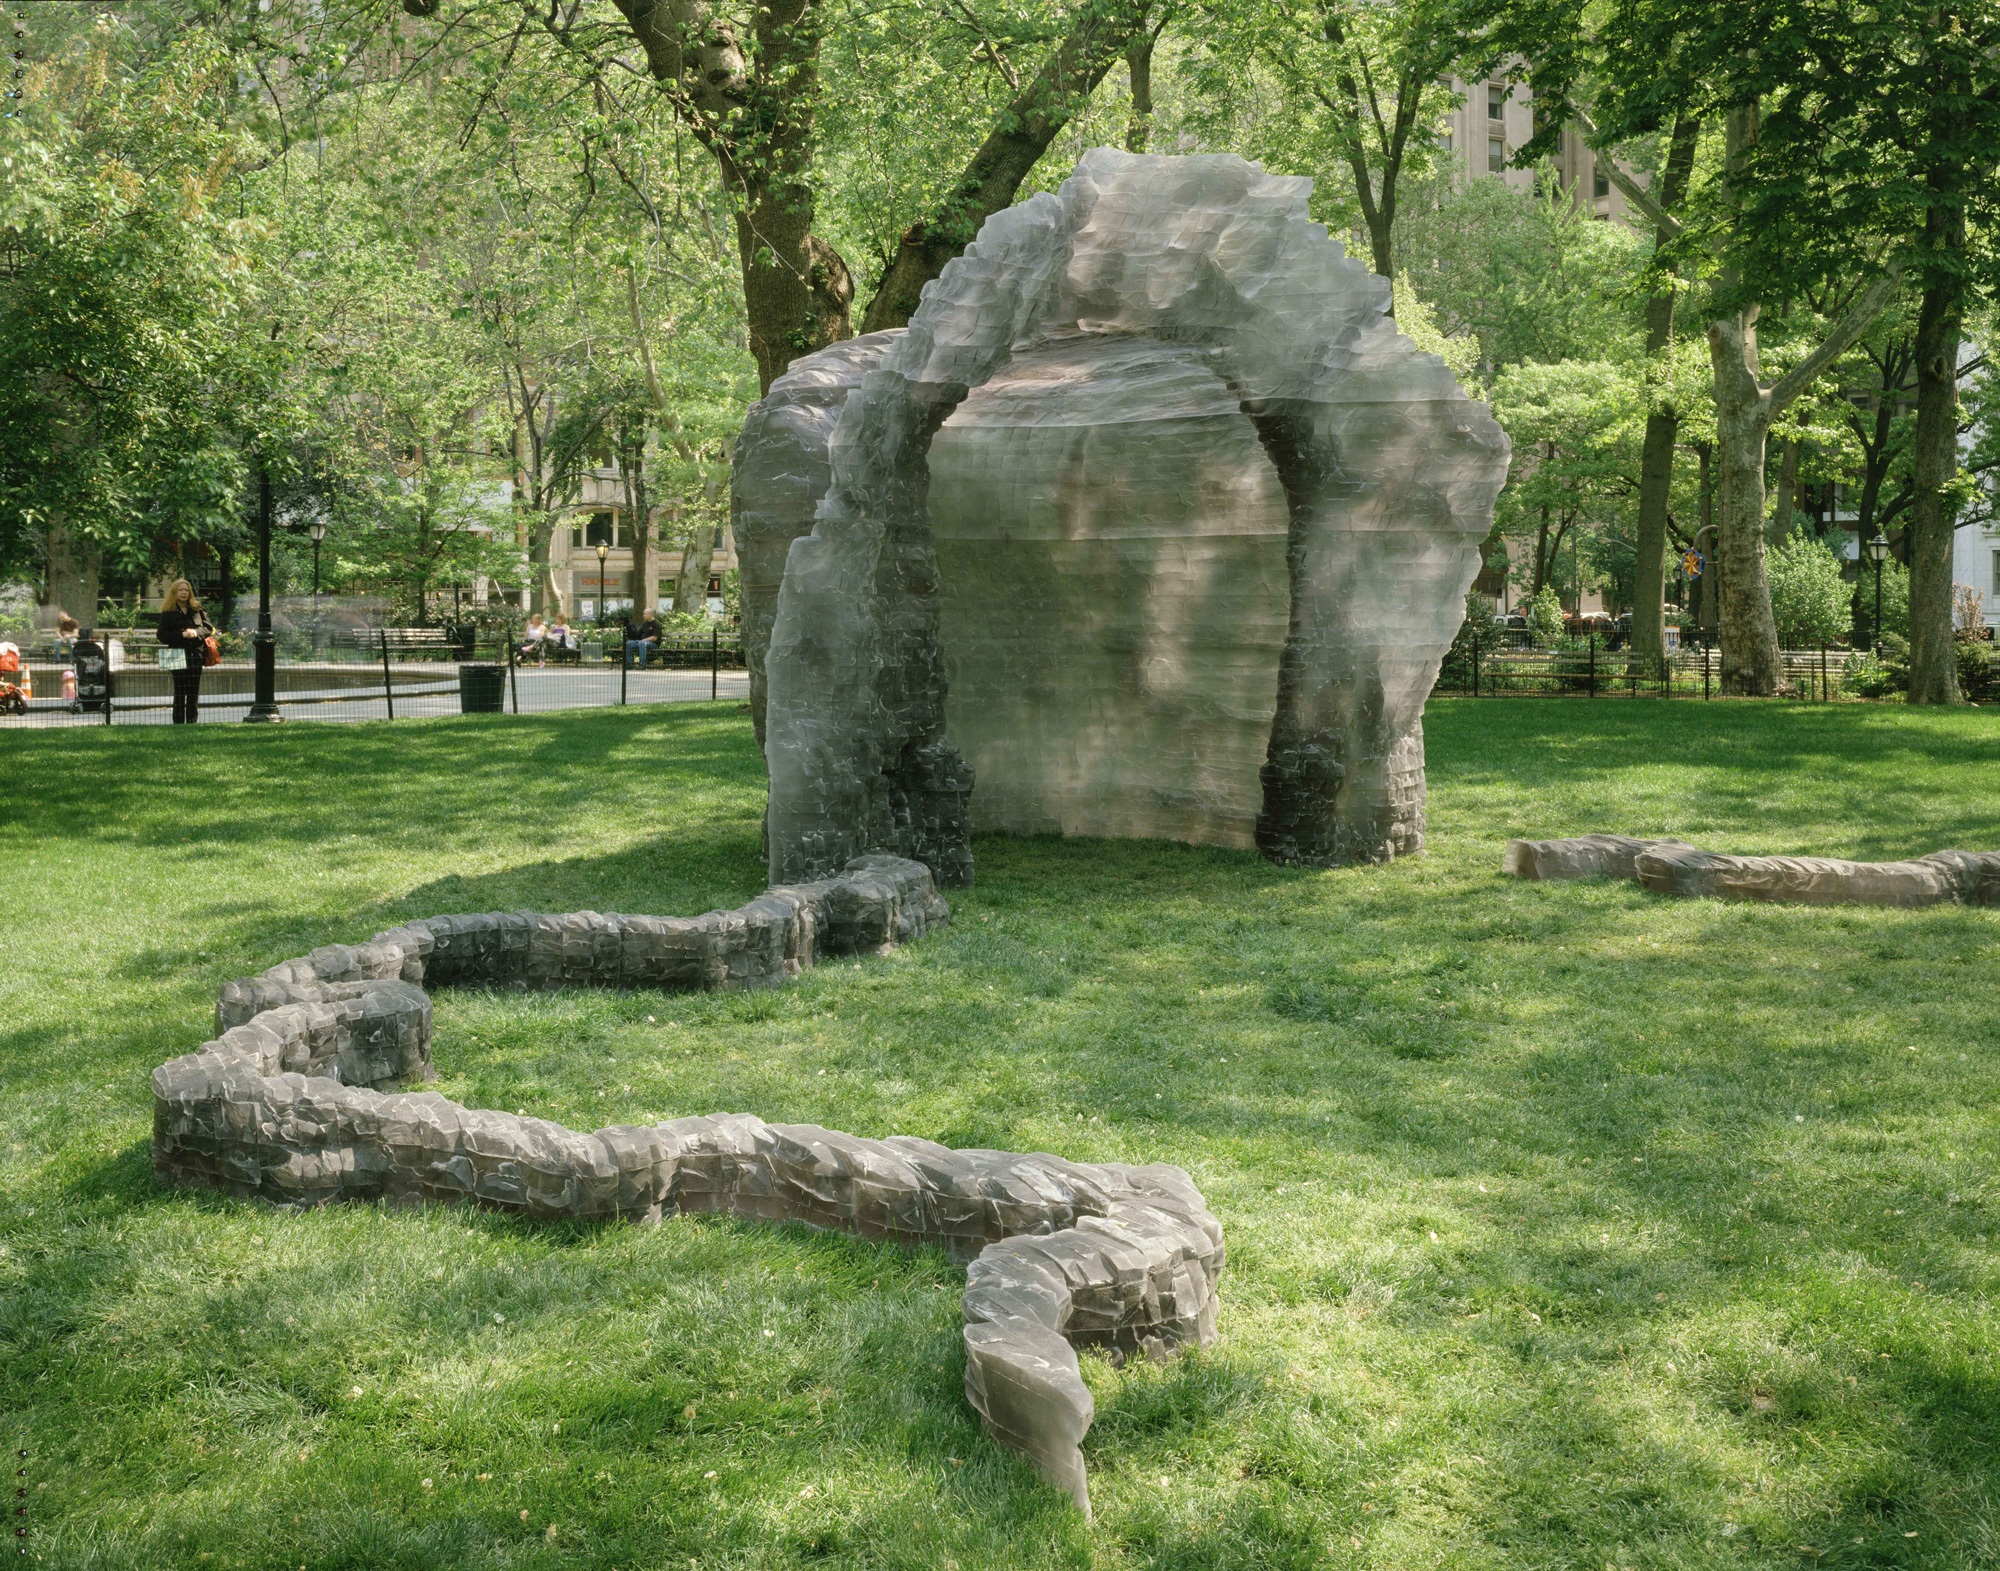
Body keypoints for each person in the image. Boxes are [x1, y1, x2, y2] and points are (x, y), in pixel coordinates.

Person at [156, 579, 213, 724]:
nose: (183, 593)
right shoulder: (168, 612)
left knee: (193, 689)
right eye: (180, 590)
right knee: (180, 689)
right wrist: (181, 635)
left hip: (196, 652)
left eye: (186, 590)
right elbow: (161, 635)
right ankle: (178, 722)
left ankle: (192, 721)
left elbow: (208, 628)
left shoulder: (197, 608)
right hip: (175, 653)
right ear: (174, 593)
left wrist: (196, 632)